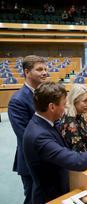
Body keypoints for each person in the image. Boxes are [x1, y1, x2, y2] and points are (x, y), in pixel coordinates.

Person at [23, 82, 87, 203]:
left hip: (60, 186)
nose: (66, 107)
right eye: (64, 104)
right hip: (51, 196)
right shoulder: (39, 135)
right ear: (52, 107)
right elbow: (75, 161)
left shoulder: (47, 122)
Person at [8, 55, 48, 204]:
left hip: (49, 157)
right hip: (32, 161)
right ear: (27, 72)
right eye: (39, 69)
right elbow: (26, 136)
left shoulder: (45, 94)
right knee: (33, 199)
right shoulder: (18, 100)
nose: (44, 72)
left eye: (45, 69)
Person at [60, 84, 87, 152]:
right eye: (85, 101)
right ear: (74, 101)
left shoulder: (80, 116)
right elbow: (79, 151)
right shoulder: (70, 122)